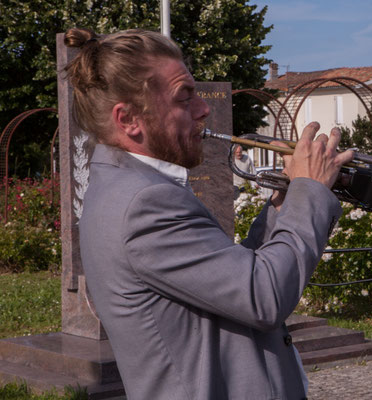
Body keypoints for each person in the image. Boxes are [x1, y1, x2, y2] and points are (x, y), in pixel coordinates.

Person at [64, 27, 353, 400]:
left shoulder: (131, 185)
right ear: (129, 120)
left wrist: (285, 202)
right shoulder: (144, 204)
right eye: (185, 98)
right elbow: (263, 296)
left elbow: (234, 281)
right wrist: (310, 190)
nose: (204, 109)